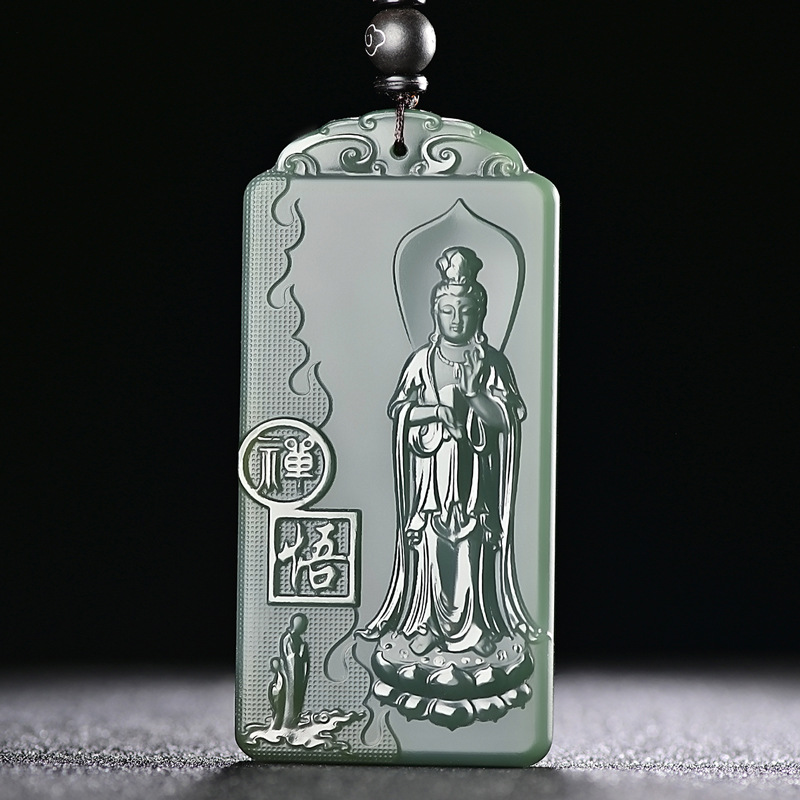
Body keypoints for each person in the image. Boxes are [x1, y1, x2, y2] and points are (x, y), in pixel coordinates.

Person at [362, 247, 537, 657]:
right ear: (434, 313)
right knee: (430, 545)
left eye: (465, 311)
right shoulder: (421, 362)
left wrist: (474, 394)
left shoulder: (492, 362)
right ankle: (428, 623)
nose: (456, 319)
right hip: (431, 470)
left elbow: (508, 419)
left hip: (475, 473)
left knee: (472, 543)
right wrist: (436, 411)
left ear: (480, 315)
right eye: (447, 311)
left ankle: (475, 626)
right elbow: (399, 411)